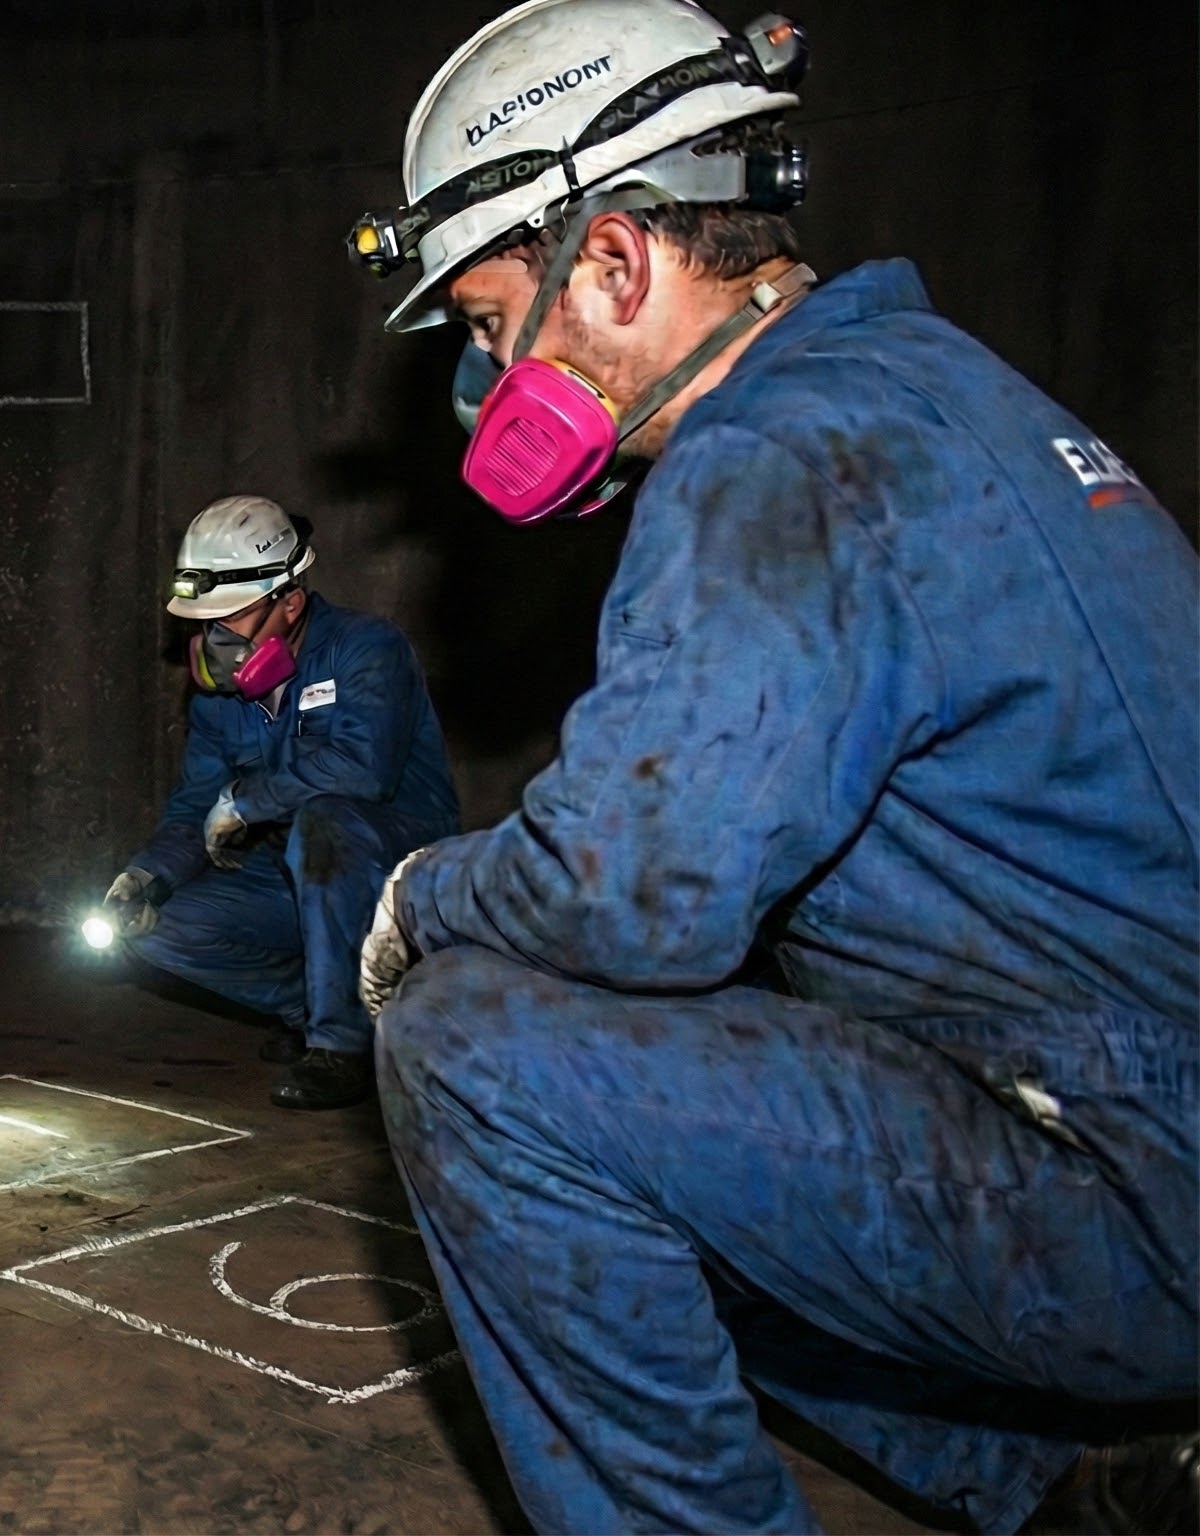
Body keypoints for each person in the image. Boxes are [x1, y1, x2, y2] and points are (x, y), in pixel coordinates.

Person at [345, 1, 1199, 1530]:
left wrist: (424, 900)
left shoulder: (773, 455)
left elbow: (627, 896)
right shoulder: (932, 388)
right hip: (1127, 1114)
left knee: (478, 1048)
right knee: (679, 1129)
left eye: (485, 322)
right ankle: (1082, 1490)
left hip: (1133, 1182)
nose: (484, 378)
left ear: (615, 263)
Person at [94, 495, 459, 1111]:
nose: (213, 639)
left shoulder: (367, 648)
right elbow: (194, 805)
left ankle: (342, 1048)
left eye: (230, 617)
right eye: (202, 622)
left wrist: (248, 800)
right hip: (297, 870)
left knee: (324, 823)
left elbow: (364, 769)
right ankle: (318, 1009)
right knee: (158, 928)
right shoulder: (217, 700)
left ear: (290, 602)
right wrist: (147, 874)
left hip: (394, 868)